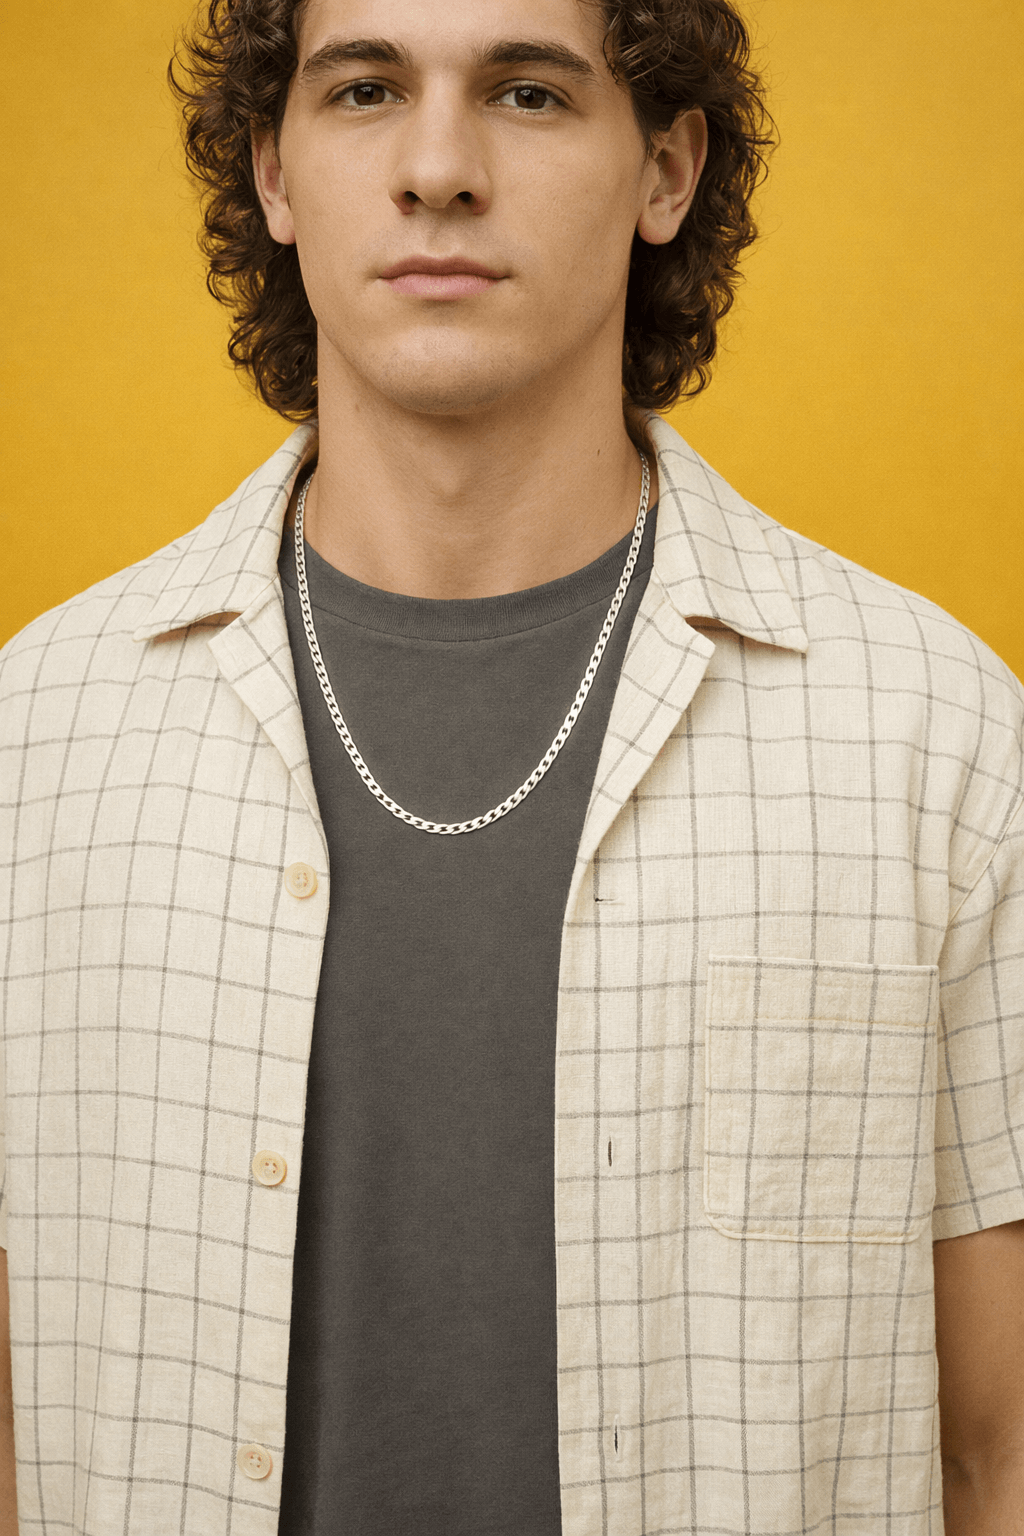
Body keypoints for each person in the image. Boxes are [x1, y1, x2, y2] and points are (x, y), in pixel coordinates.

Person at [1, 0, 1021, 1531]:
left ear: (666, 169)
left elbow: (998, 1454)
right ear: (273, 172)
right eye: (363, 91)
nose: (437, 167)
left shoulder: (931, 732)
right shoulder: (35, 741)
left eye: (529, 93)